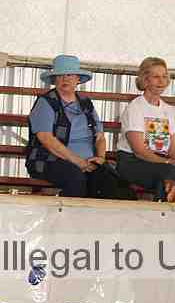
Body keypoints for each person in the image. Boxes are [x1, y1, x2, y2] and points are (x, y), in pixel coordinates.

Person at [25, 55, 130, 199]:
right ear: (54, 80)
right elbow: (46, 139)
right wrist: (79, 162)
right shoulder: (45, 102)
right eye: (60, 75)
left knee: (113, 182)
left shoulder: (85, 103)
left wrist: (100, 158)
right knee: (76, 178)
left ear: (78, 79)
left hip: (88, 162)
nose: (65, 79)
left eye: (69, 75)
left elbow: (100, 137)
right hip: (48, 160)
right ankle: (66, 213)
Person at [116, 57, 175, 200]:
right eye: (156, 77)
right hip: (132, 162)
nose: (161, 81)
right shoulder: (135, 108)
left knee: (172, 174)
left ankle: (159, 207)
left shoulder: (170, 110)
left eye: (164, 76)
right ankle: (161, 209)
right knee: (168, 173)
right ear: (145, 80)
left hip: (162, 163)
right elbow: (139, 151)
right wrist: (167, 163)